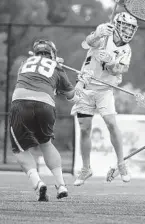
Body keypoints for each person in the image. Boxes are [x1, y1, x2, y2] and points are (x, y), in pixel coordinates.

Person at [9, 39, 91, 201]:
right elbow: (72, 97)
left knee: (19, 149)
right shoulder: (57, 68)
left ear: (35, 53)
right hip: (45, 104)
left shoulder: (24, 63)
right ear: (53, 54)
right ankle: (61, 185)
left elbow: (34, 78)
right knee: (46, 143)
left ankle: (38, 182)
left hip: (21, 102)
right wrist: (82, 81)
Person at [72, 12, 138, 186]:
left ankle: (121, 164)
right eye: (125, 26)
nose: (128, 30)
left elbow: (119, 70)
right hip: (86, 86)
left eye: (131, 28)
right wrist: (98, 33)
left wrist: (109, 62)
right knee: (85, 129)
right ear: (117, 24)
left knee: (111, 123)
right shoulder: (104, 34)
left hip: (104, 91)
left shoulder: (127, 49)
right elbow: (86, 43)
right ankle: (86, 169)